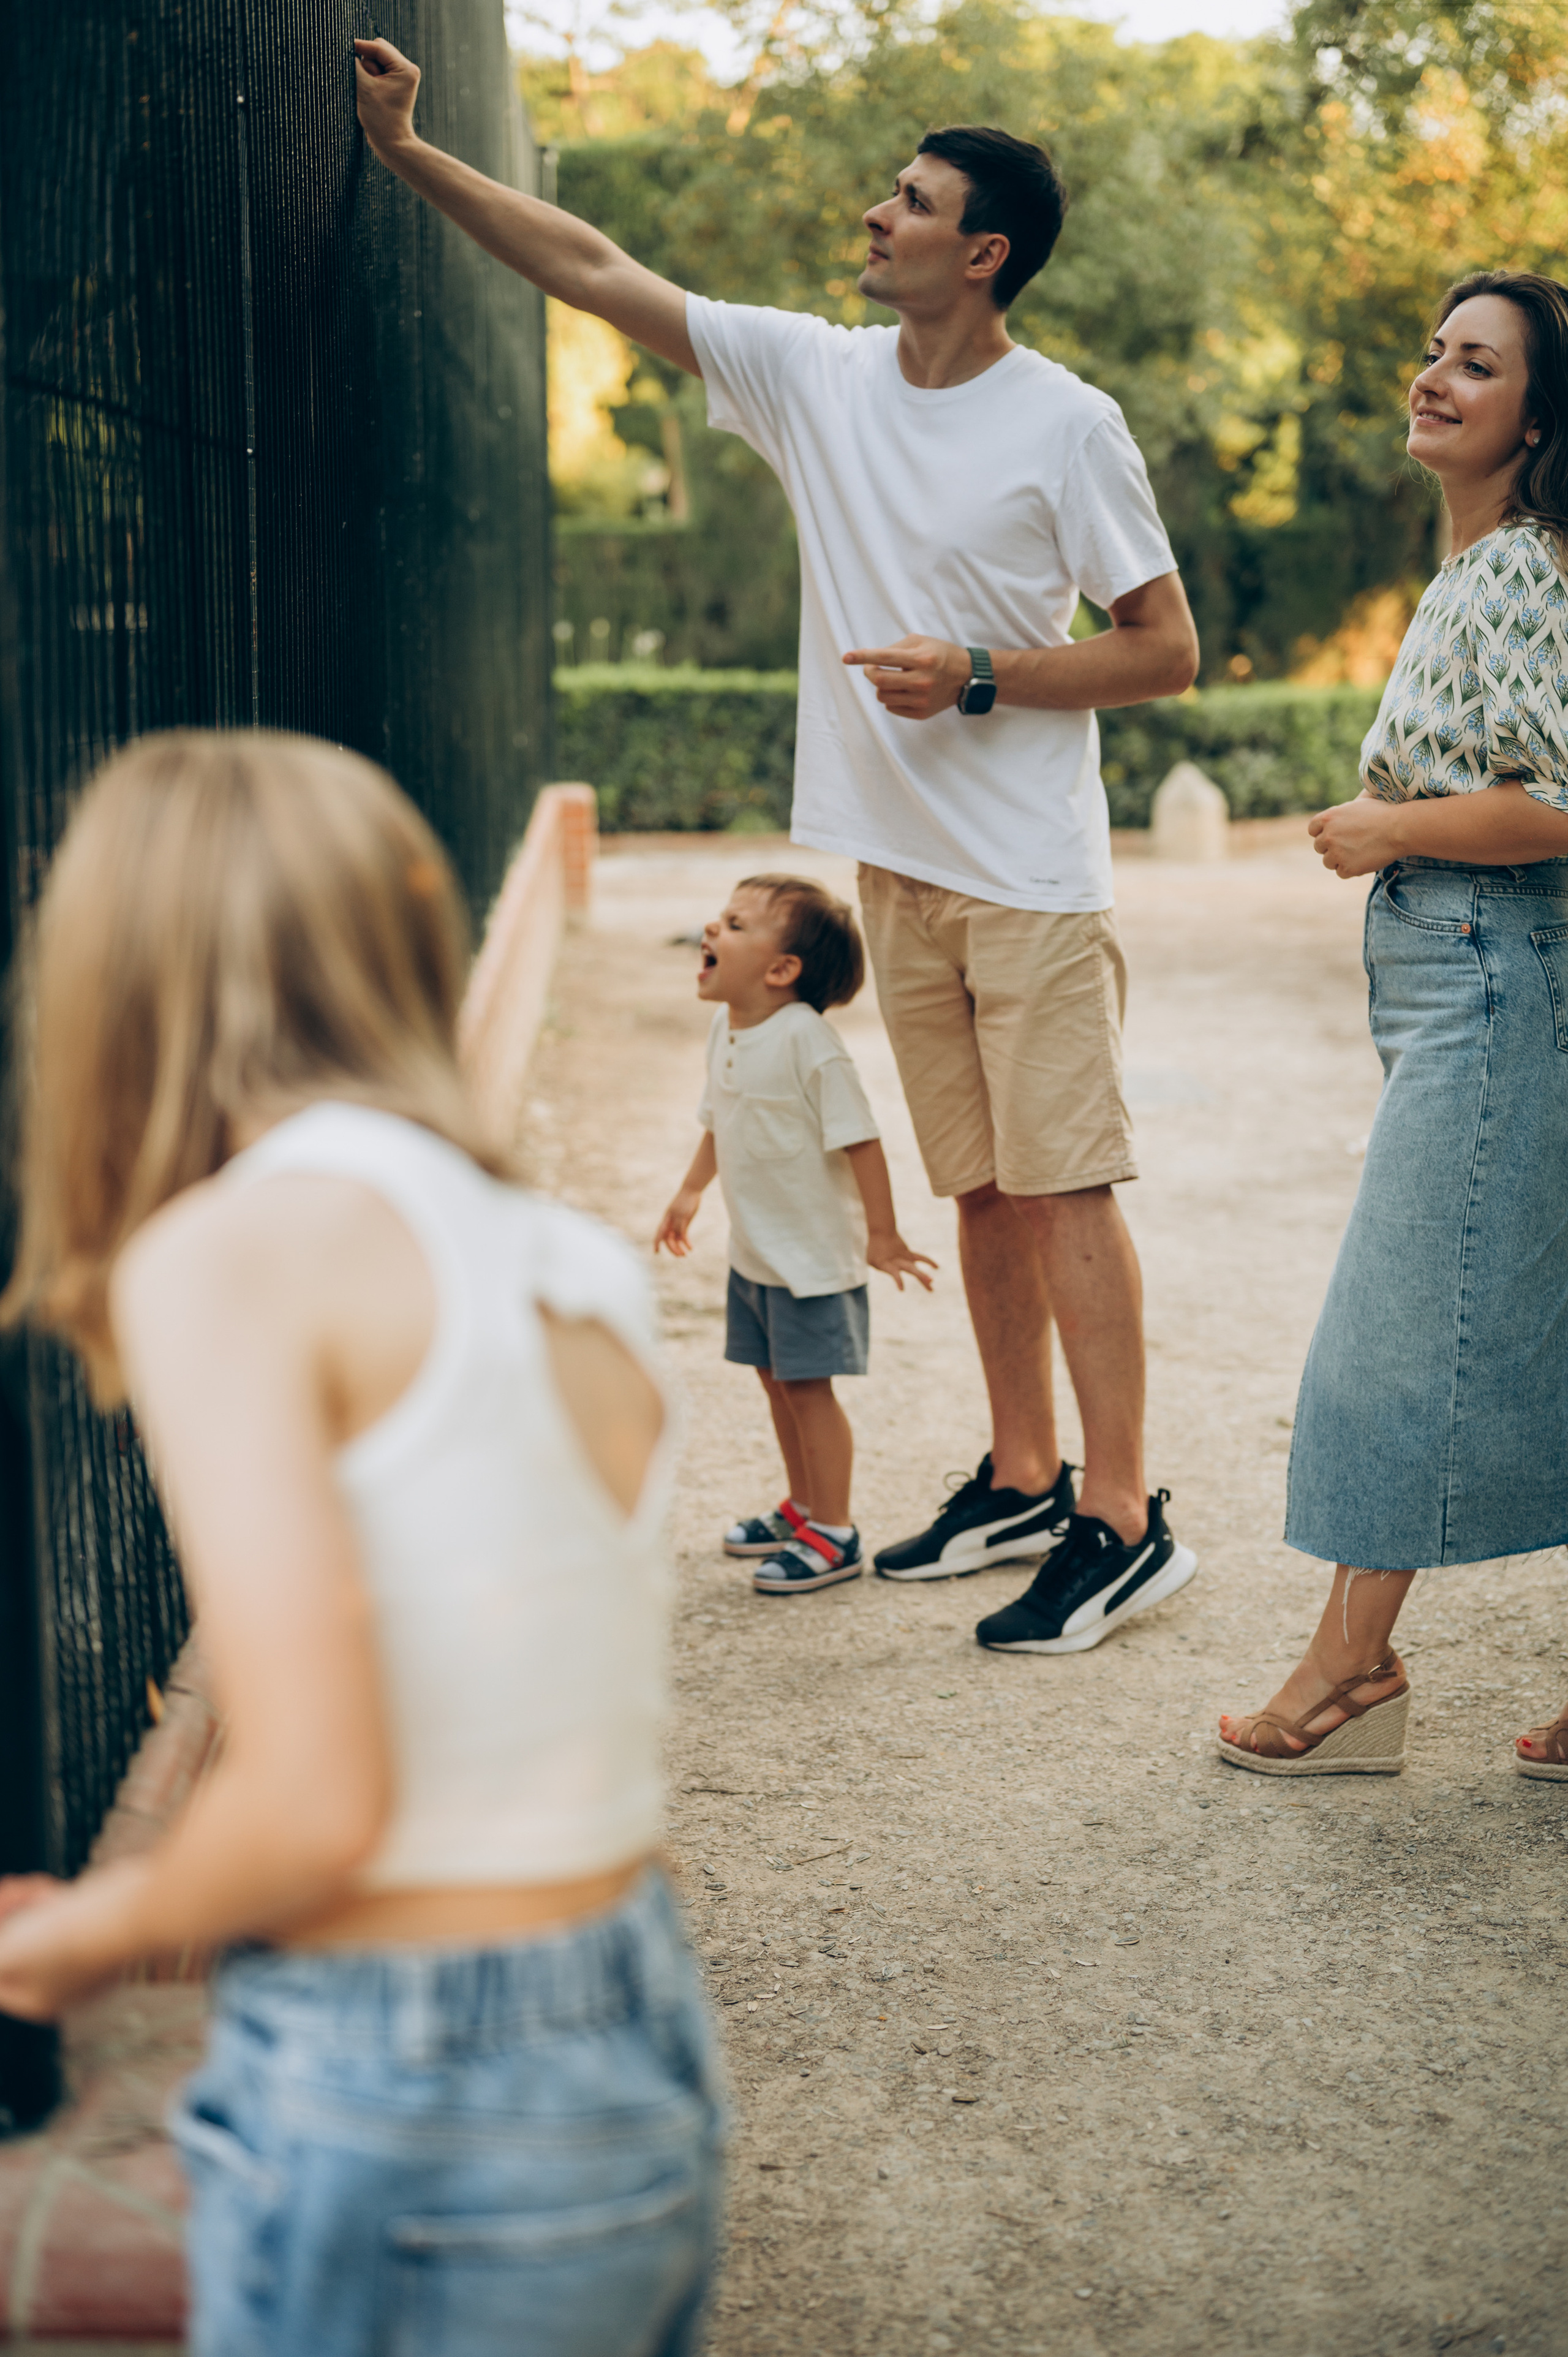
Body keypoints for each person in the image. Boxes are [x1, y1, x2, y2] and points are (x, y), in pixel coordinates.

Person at [353, 43, 1201, 1659]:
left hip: (1031, 875)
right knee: (983, 1193)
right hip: (906, 869)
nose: (877, 214)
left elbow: (1166, 651)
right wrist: (408, 152)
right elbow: (595, 269)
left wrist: (981, 673)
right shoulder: (818, 375)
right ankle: (1025, 1472)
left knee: (1067, 1187)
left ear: (984, 253)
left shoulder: (1067, 425)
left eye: (914, 202)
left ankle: (1124, 1514)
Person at [0, 732, 723, 2355]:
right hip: (629, 2015)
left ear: (120, 986)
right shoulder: (562, 1257)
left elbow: (325, 1800)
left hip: (416, 2077)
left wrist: (82, 1932)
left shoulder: (232, 1254)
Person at [1219, 270, 1568, 1781]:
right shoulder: (1479, 561)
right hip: (1470, 973)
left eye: (1473, 364)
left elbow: (1557, 800)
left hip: (1492, 971)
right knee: (1525, 1328)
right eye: (1432, 352)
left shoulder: (1521, 569)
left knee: (1394, 1325)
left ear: (1536, 416)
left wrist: (1386, 827)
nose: (1431, 376)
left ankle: (1349, 1665)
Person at [655, 874, 934, 1594]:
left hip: (810, 1263)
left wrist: (882, 1235)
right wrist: (691, 1190)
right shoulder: (728, 1027)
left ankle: (835, 1533)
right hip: (756, 1255)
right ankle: (804, 1506)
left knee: (809, 1390)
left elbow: (861, 1140)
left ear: (782, 972)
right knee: (774, 1381)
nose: (713, 930)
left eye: (736, 925)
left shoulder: (809, 1043)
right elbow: (722, 1114)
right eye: (720, 919)